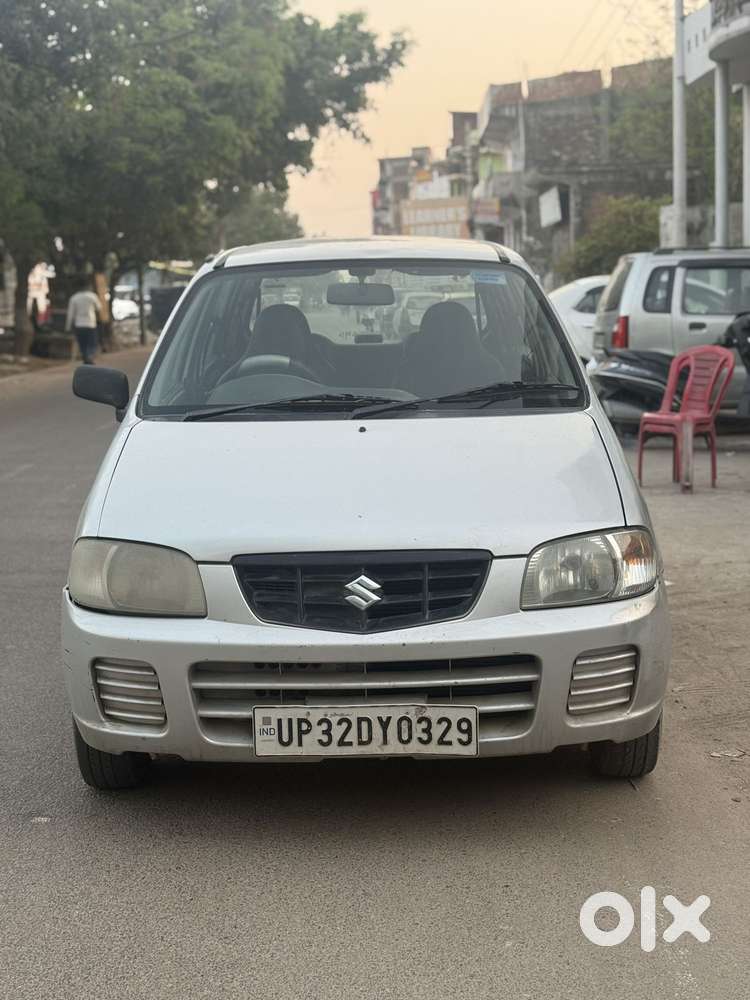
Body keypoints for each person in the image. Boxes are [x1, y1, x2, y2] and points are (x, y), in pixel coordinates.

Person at [65, 277, 101, 364]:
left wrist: (68, 327)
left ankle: (86, 357)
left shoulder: (74, 298)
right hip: (90, 323)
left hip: (79, 324)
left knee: (82, 343)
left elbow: (71, 314)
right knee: (92, 342)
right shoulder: (92, 296)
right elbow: (99, 308)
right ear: (88, 286)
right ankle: (89, 356)